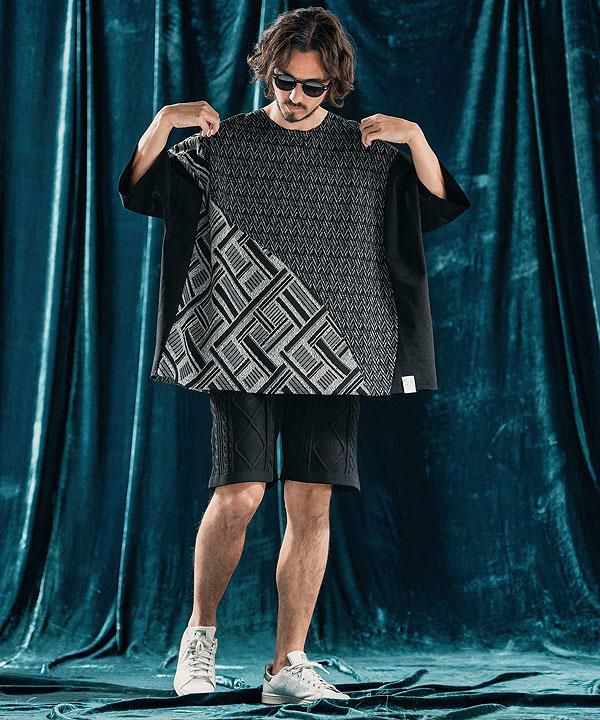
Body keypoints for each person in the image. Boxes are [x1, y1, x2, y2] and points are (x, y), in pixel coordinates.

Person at [117, 6, 470, 706]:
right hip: (239, 345)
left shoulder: (366, 151)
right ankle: (199, 637)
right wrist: (163, 120)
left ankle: (288, 665)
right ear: (267, 74)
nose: (296, 96)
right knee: (242, 494)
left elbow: (436, 206)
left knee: (311, 504)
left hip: (337, 350)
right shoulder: (227, 143)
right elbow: (140, 190)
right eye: (284, 81)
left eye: (313, 86)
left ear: (333, 84)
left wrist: (416, 136)